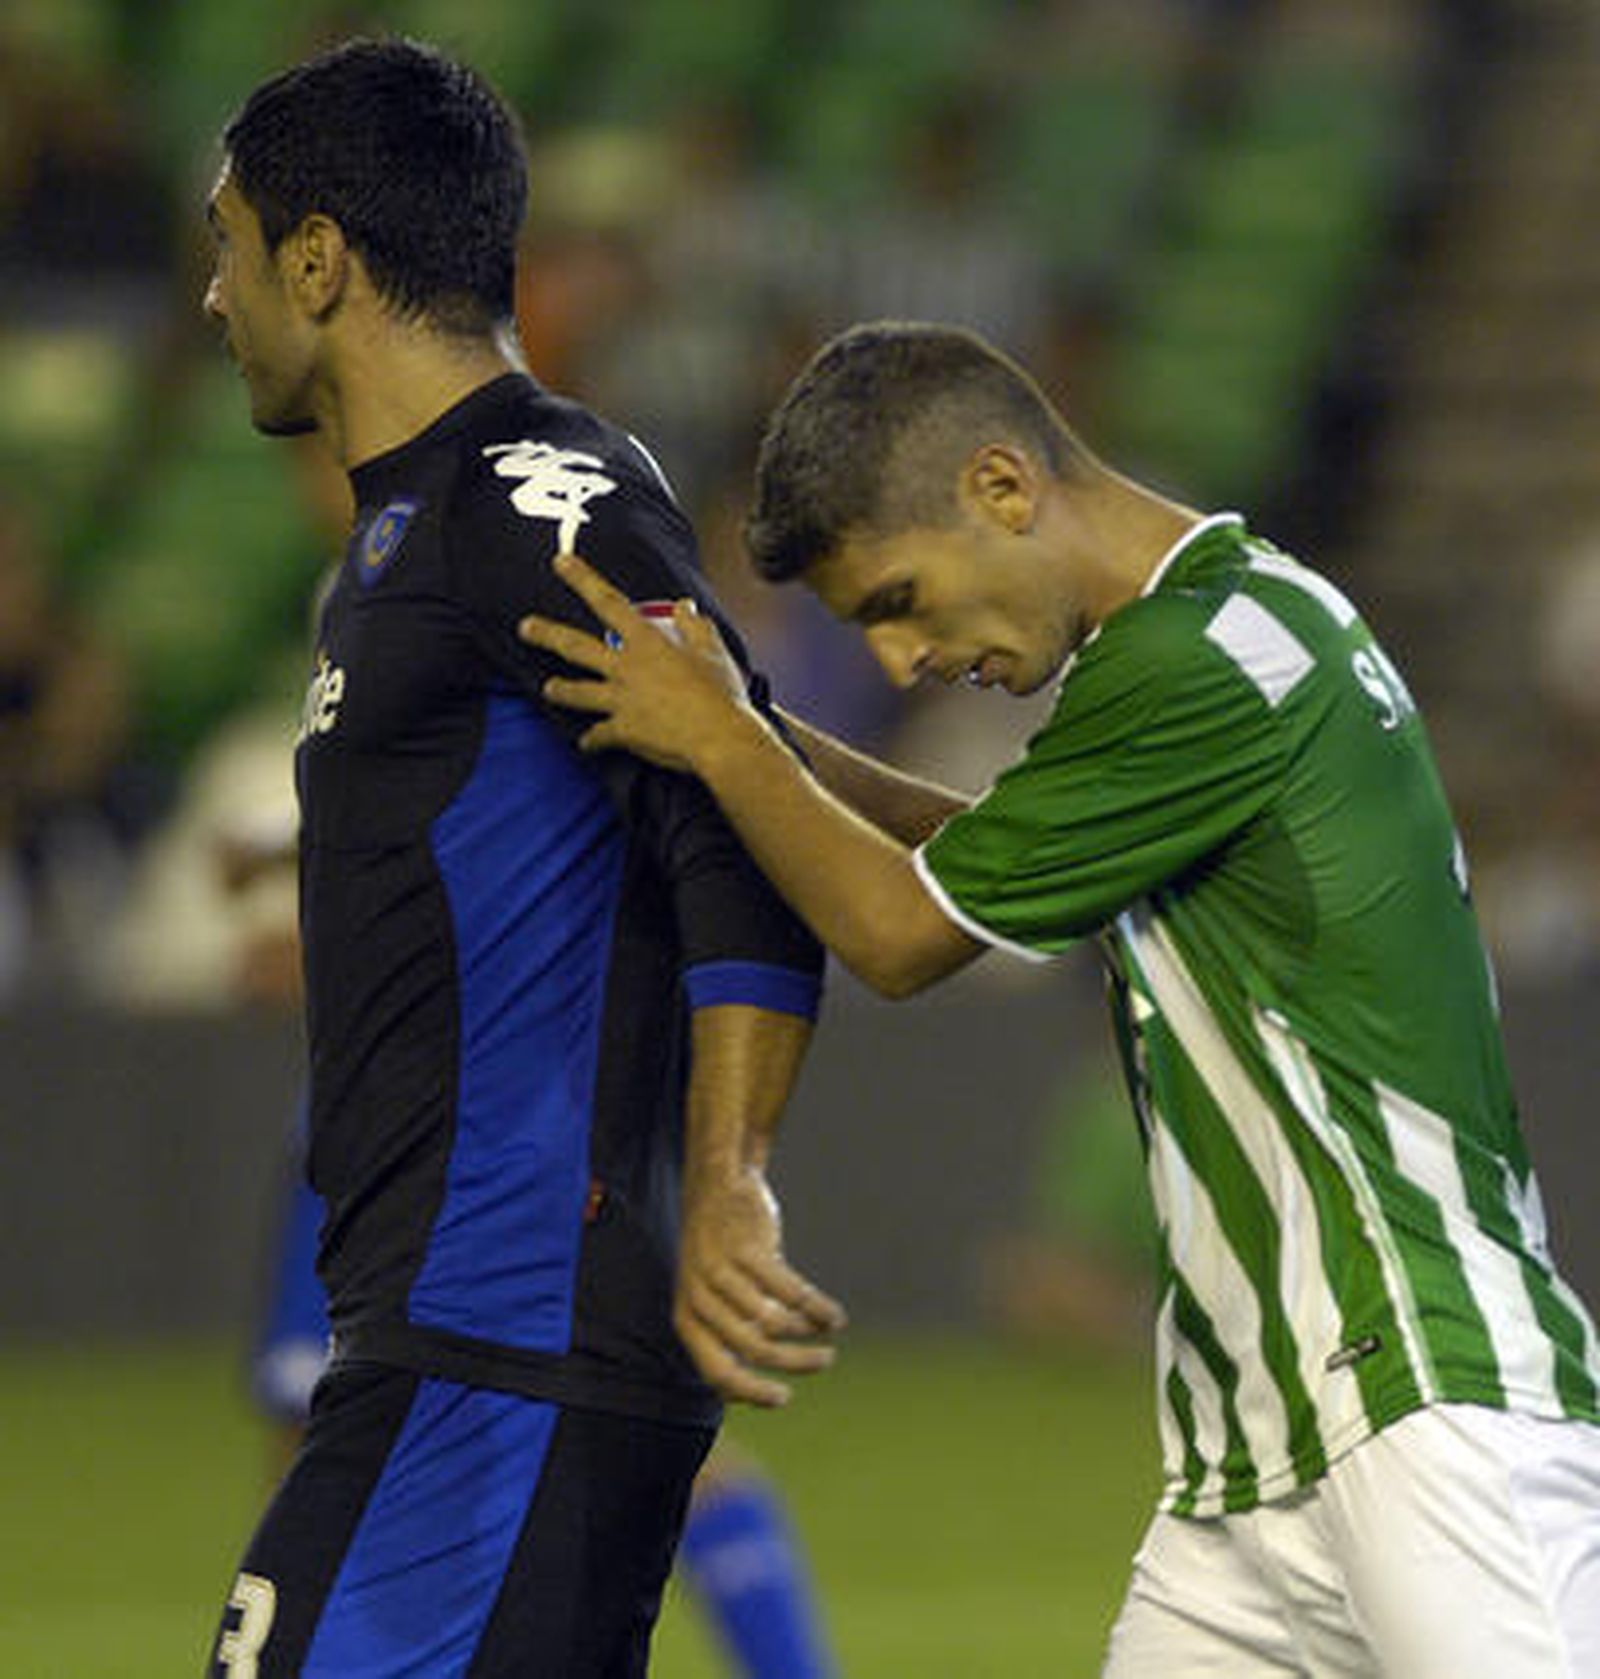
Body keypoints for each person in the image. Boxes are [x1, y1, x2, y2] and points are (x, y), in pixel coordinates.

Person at [520, 320, 1600, 1677]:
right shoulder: (1222, 632)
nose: (903, 659)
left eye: (901, 599)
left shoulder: (1200, 661)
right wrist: (755, 722)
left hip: (1426, 1404)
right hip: (1252, 1461)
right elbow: (974, 853)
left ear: (1002, 486)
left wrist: (727, 741)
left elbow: (903, 933)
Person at [199, 37, 844, 1678]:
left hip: (506, 1336)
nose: (213, 296)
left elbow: (736, 815)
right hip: (446, 1329)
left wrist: (732, 1180)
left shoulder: (538, 499)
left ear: (317, 260)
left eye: (228, 245)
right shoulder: (415, 536)